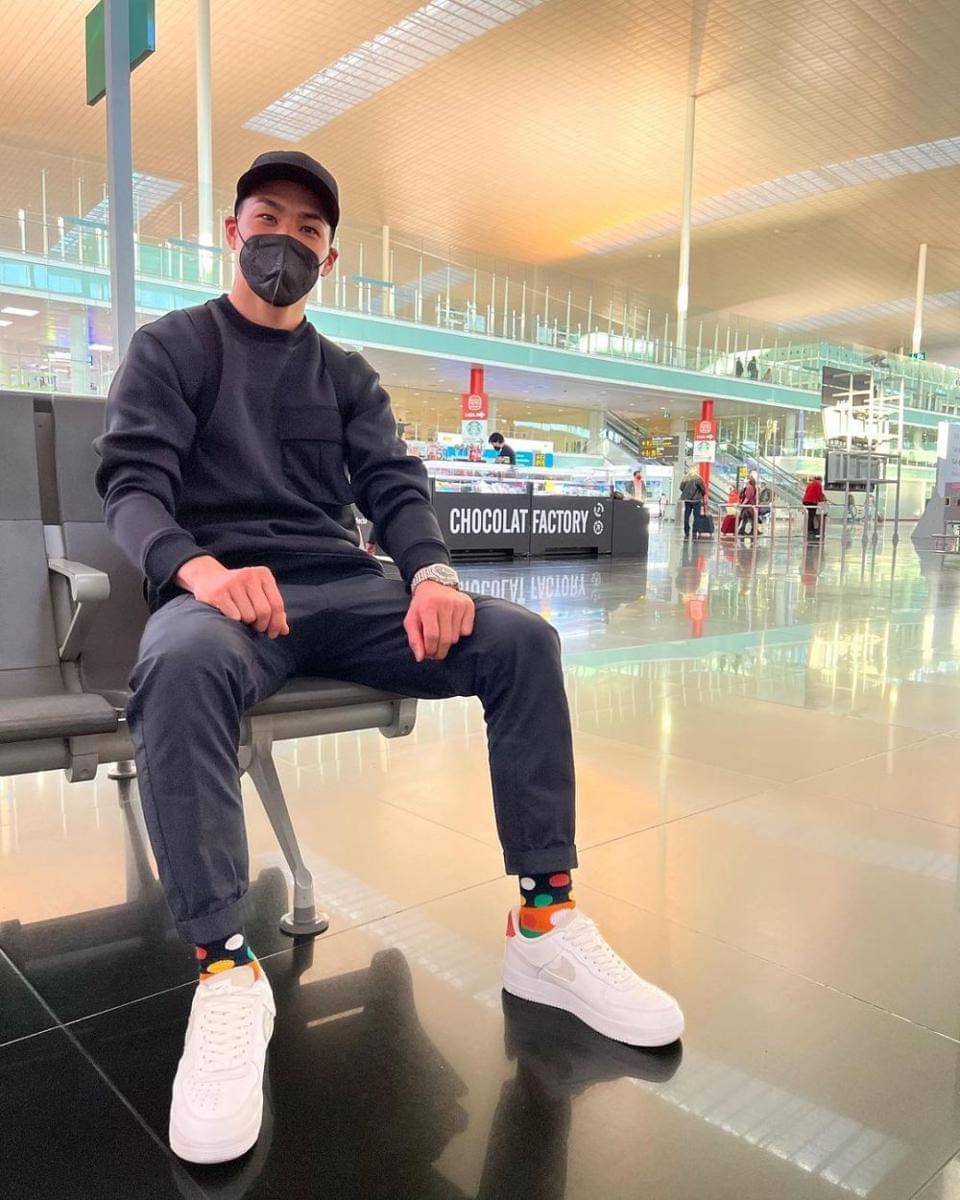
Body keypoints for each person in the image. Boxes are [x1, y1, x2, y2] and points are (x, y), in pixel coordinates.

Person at [94, 150, 683, 1166]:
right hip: (229, 599)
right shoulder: (173, 349)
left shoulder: (346, 376)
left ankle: (546, 927)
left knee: (522, 641)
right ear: (232, 232)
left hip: (345, 590)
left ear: (329, 257)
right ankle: (226, 969)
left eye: (308, 229)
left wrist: (433, 575)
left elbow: (395, 487)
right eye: (267, 218)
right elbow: (131, 487)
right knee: (179, 665)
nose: (285, 241)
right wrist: (197, 571)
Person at [680, 468, 706, 538]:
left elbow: (681, 488)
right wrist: (701, 494)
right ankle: (694, 531)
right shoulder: (699, 478)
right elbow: (703, 489)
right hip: (696, 500)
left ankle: (686, 531)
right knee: (696, 517)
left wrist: (687, 493)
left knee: (686, 516)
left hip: (687, 500)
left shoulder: (685, 478)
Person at [803, 475, 827, 539]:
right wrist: (821, 500)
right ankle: (810, 530)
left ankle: (811, 529)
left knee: (810, 515)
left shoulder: (811, 484)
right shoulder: (818, 484)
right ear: (820, 480)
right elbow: (819, 493)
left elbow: (807, 492)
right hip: (811, 501)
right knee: (811, 516)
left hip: (806, 500)